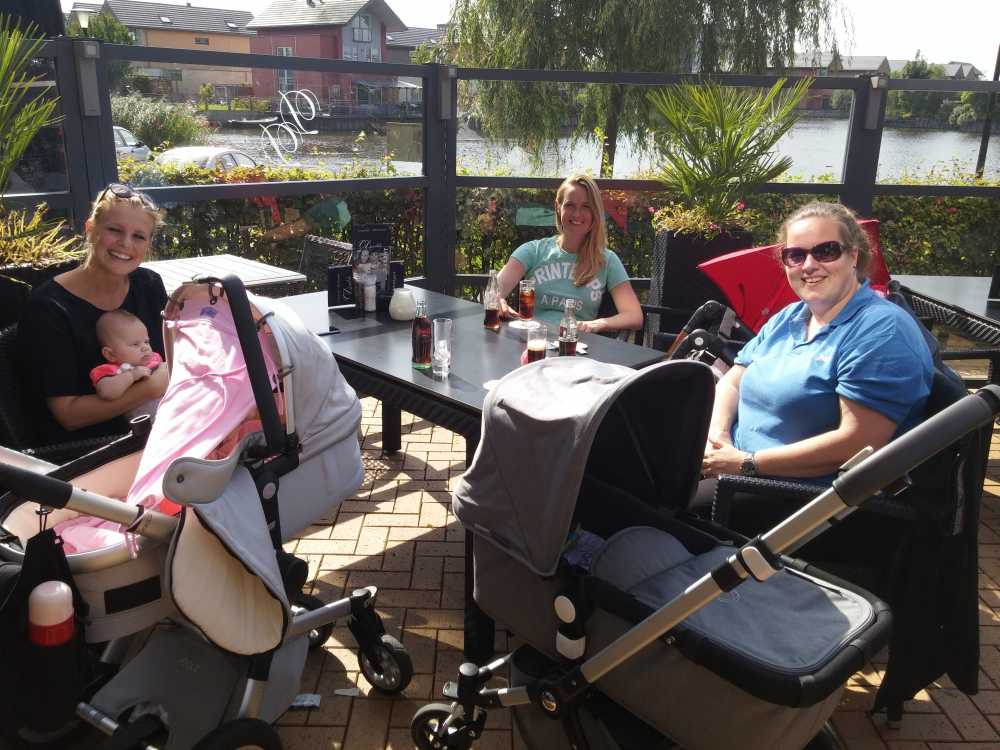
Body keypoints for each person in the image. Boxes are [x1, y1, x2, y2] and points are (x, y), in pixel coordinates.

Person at [697, 201, 934, 531]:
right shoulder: (790, 317)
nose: (809, 265)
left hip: (794, 497)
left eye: (826, 251)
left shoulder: (881, 333)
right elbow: (733, 381)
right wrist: (718, 436)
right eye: (795, 255)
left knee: (643, 498)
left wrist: (746, 464)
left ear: (854, 256)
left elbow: (856, 444)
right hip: (732, 467)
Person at [16, 183, 169, 445]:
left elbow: (172, 359)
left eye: (139, 236)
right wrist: (150, 387)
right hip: (91, 450)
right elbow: (68, 415)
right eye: (114, 230)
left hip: (162, 431)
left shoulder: (148, 285)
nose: (125, 244)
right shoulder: (48, 308)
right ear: (90, 229)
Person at [494, 174, 643, 333]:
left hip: (575, 342)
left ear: (595, 212)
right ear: (558, 208)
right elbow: (494, 291)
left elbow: (634, 316)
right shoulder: (532, 251)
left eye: (586, 206)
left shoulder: (607, 260)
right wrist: (498, 301)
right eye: (570, 205)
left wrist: (598, 324)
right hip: (534, 340)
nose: (577, 214)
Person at [89, 309, 164, 419]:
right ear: (110, 354)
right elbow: (106, 392)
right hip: (148, 420)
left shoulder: (154, 358)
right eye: (135, 344)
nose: (145, 347)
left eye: (146, 342)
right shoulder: (113, 370)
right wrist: (131, 375)